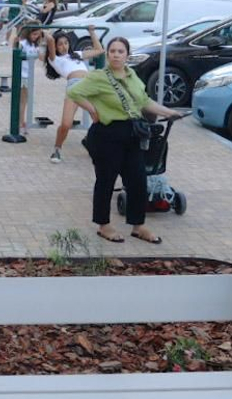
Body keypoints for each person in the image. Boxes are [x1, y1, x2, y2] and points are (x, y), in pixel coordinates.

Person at [67, 37, 183, 245]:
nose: (116, 55)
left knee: (138, 180)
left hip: (132, 134)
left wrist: (169, 112)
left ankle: (138, 226)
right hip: (107, 135)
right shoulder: (99, 77)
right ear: (107, 54)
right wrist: (93, 110)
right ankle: (103, 225)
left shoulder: (132, 76)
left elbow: (144, 101)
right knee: (106, 181)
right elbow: (74, 92)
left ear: (127, 55)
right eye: (112, 51)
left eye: (120, 51)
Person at [47, 27, 105, 162]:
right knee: (66, 124)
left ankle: (90, 140)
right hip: (74, 87)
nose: (64, 46)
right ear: (55, 46)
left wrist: (91, 32)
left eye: (66, 43)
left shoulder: (77, 54)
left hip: (89, 85)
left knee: (98, 118)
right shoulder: (54, 59)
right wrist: (47, 31)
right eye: (60, 44)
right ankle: (57, 149)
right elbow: (50, 40)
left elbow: (99, 50)